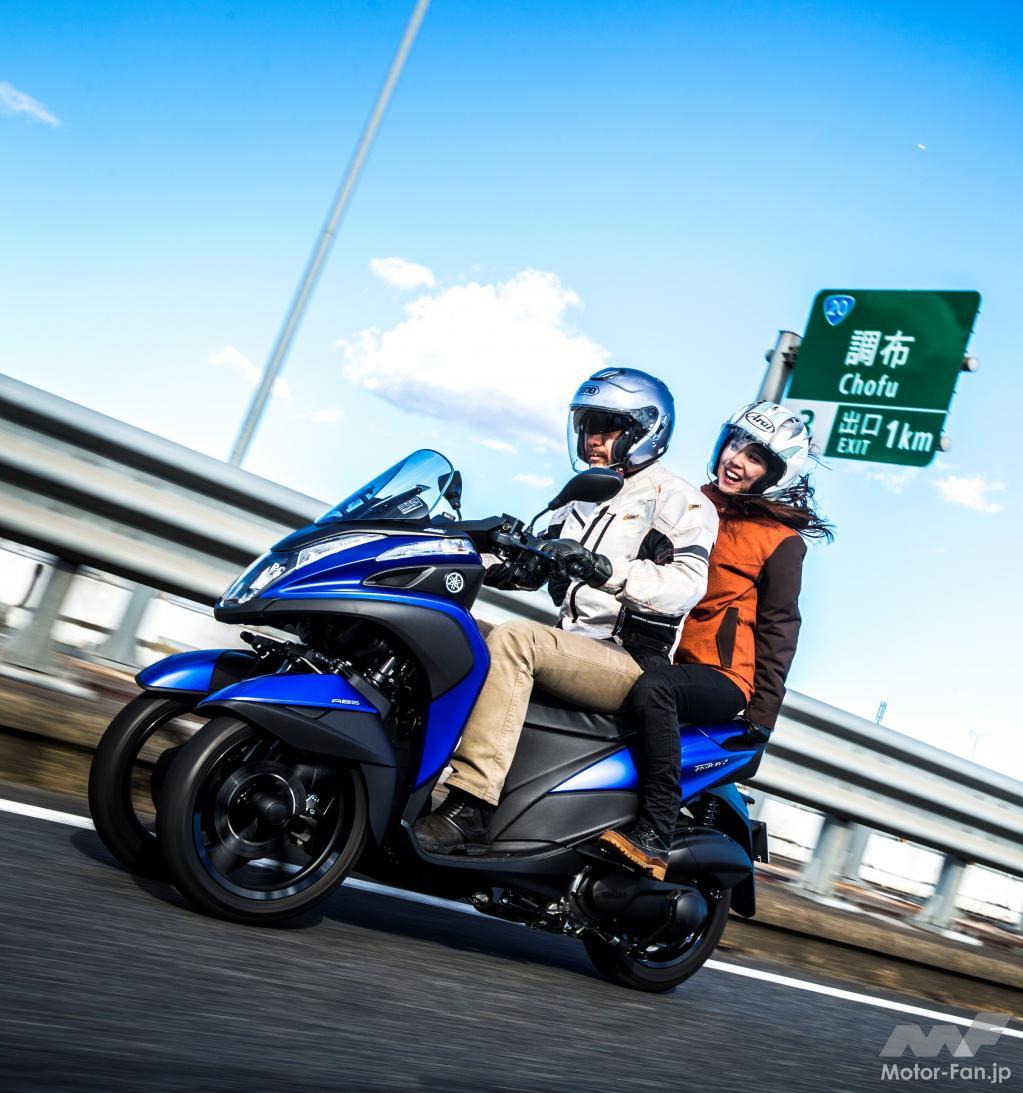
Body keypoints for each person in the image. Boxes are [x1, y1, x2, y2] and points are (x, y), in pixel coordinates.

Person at [414, 366, 719, 853]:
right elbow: (530, 571)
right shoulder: (583, 493)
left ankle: (471, 805)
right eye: (586, 424)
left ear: (647, 430)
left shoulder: (678, 501)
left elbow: (684, 586)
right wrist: (460, 551)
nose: (592, 437)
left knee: (516, 640)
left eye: (608, 426)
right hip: (571, 645)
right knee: (450, 627)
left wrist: (602, 569)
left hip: (628, 658)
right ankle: (408, 775)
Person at [596, 400, 833, 879]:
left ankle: (655, 832)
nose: (735, 460)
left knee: (655, 690)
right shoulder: (687, 501)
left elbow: (780, 627)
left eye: (755, 457)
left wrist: (762, 714)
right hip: (656, 651)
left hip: (719, 675)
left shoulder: (780, 542)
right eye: (734, 444)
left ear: (775, 474)